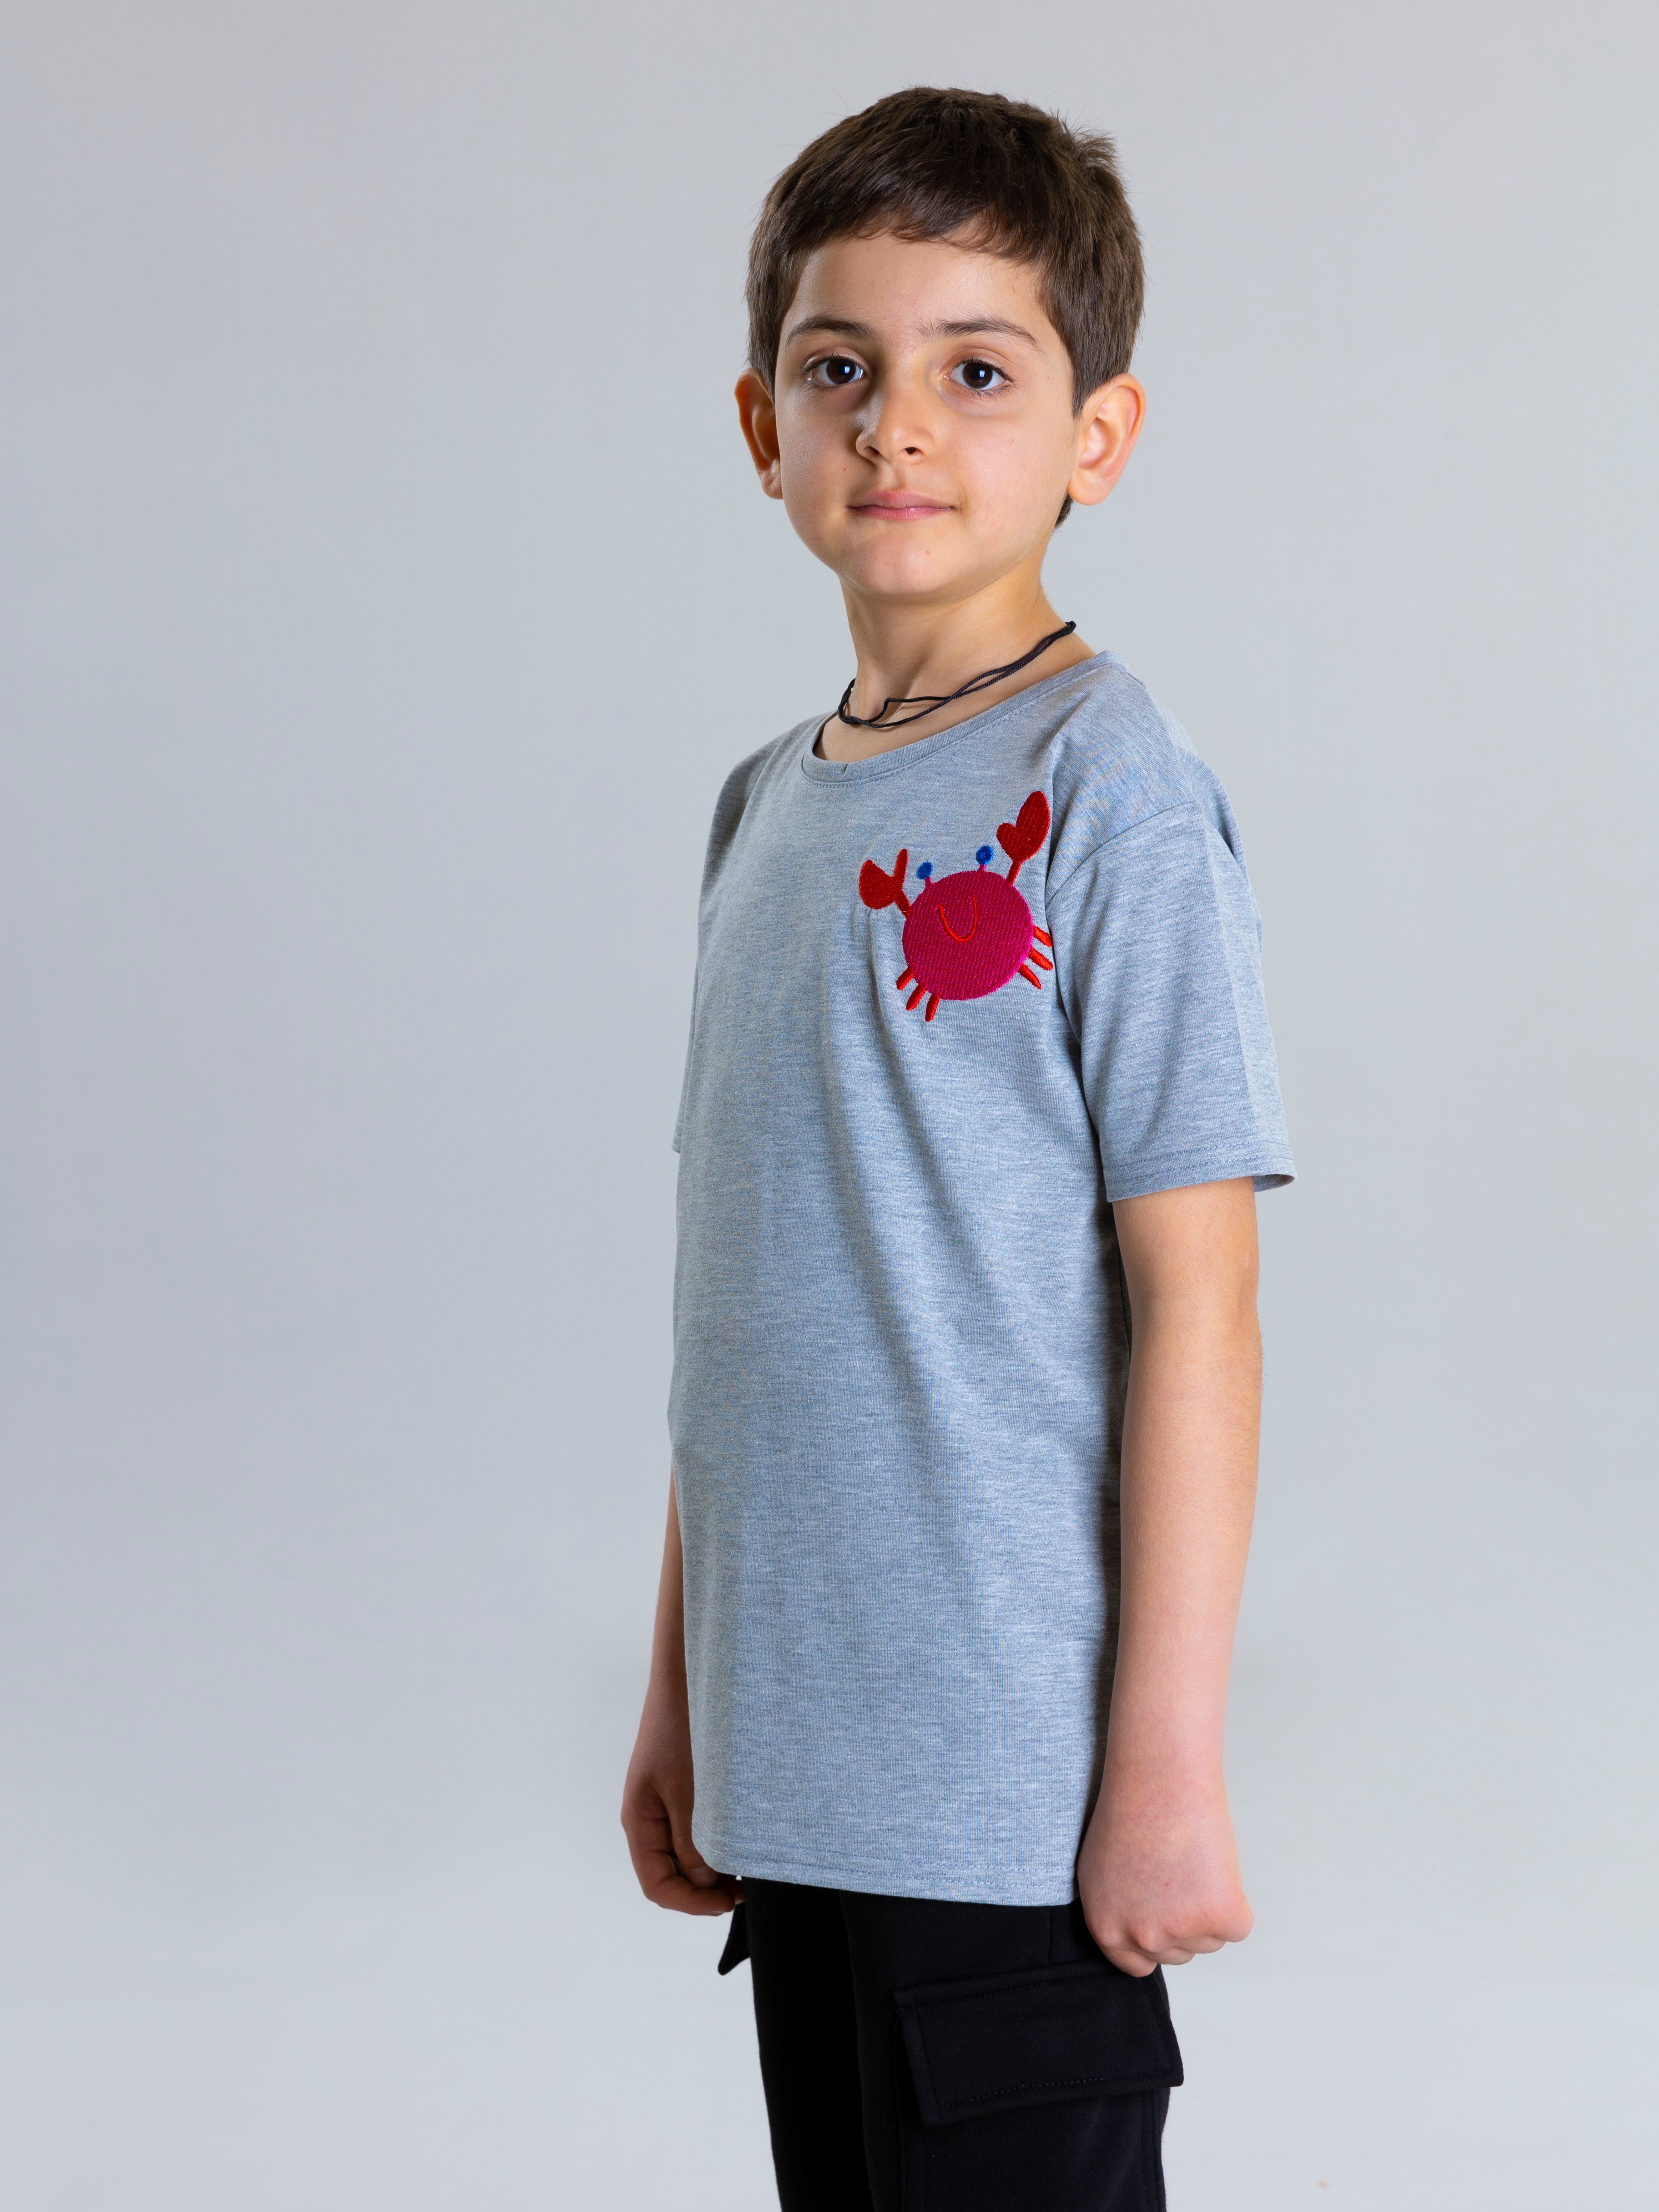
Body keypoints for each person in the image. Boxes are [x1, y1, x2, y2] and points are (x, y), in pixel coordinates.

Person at [621, 85, 1294, 2211]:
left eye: (976, 371)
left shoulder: (1114, 790)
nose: (897, 424)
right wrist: (682, 1689)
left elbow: (1199, 1303)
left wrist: (1165, 1763)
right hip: (800, 1779)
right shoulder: (760, 809)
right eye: (841, 369)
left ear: (1099, 434)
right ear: (764, 429)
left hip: (1012, 1794)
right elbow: (748, 1307)